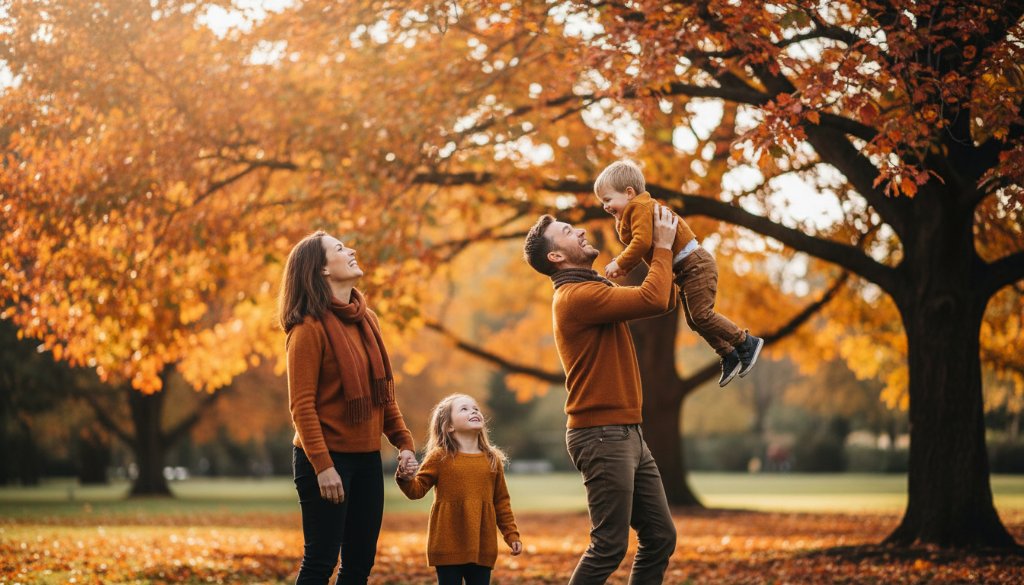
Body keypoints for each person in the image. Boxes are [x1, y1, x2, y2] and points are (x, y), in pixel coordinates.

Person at [522, 206, 678, 584]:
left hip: (627, 433)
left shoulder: (593, 288)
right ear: (555, 256)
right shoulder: (577, 296)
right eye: (566, 230)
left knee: (659, 536)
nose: (578, 230)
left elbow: (664, 297)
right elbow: (653, 300)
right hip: (602, 435)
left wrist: (661, 252)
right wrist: (660, 246)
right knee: (609, 544)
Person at [278, 230, 420, 585]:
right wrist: (324, 467)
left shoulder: (366, 320)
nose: (352, 250)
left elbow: (382, 396)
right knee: (321, 561)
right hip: (325, 461)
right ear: (322, 270)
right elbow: (302, 407)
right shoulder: (307, 329)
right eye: (340, 249)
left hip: (367, 458)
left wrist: (403, 444)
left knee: (359, 565)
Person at [594, 160, 763, 387]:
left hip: (695, 264)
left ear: (629, 193)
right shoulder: (632, 214)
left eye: (607, 200)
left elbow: (642, 242)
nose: (605, 206)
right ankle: (728, 353)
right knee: (695, 321)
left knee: (701, 314)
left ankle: (745, 342)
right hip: (685, 269)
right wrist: (625, 266)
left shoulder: (640, 208)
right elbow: (644, 245)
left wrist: (621, 262)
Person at [396, 393, 522, 585]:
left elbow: (501, 501)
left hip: (482, 545)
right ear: (449, 426)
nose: (473, 411)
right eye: (464, 409)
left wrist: (511, 534)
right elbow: (417, 490)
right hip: (447, 544)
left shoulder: (492, 459)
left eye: (475, 408)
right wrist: (405, 478)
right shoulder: (440, 457)